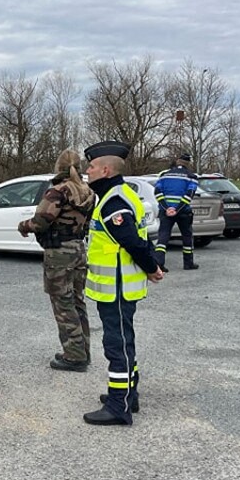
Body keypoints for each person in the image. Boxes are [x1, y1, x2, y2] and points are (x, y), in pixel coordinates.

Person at [82, 140, 164, 426]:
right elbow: (140, 239)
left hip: (116, 287)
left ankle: (120, 406)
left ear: (105, 170)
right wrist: (152, 264)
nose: (87, 171)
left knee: (116, 345)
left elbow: (131, 240)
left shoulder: (113, 201)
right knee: (123, 341)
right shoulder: (120, 194)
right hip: (119, 286)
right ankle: (129, 393)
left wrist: (152, 267)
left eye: (91, 167)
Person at [17, 149, 95, 372]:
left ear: (58, 167)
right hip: (79, 249)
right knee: (78, 301)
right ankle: (83, 351)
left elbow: (41, 222)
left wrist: (23, 226)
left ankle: (74, 356)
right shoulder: (89, 192)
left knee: (63, 304)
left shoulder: (57, 192)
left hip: (59, 253)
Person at [153, 152, 200, 271]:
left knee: (163, 236)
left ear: (177, 161)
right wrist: (177, 209)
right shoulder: (191, 176)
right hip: (183, 211)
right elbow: (189, 195)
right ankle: (188, 263)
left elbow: (157, 192)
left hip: (165, 211)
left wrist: (167, 208)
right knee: (187, 236)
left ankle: (159, 263)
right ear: (188, 163)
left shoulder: (164, 175)